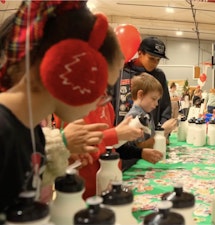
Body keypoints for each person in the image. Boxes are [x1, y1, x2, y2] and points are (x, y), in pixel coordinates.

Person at [0, 1, 124, 215]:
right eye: (104, 89)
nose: (101, 102)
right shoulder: (4, 133)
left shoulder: (30, 131)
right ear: (71, 69)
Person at [112, 36, 177, 170]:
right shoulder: (121, 71)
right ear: (140, 53)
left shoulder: (159, 75)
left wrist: (163, 134)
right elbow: (112, 100)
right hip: (121, 140)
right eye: (151, 58)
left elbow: (165, 107)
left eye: (158, 60)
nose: (154, 63)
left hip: (149, 139)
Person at [125, 73, 165, 151]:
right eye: (154, 99)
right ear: (140, 95)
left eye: (157, 100)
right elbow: (137, 147)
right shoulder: (134, 116)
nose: (156, 104)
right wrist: (158, 138)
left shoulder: (147, 114)